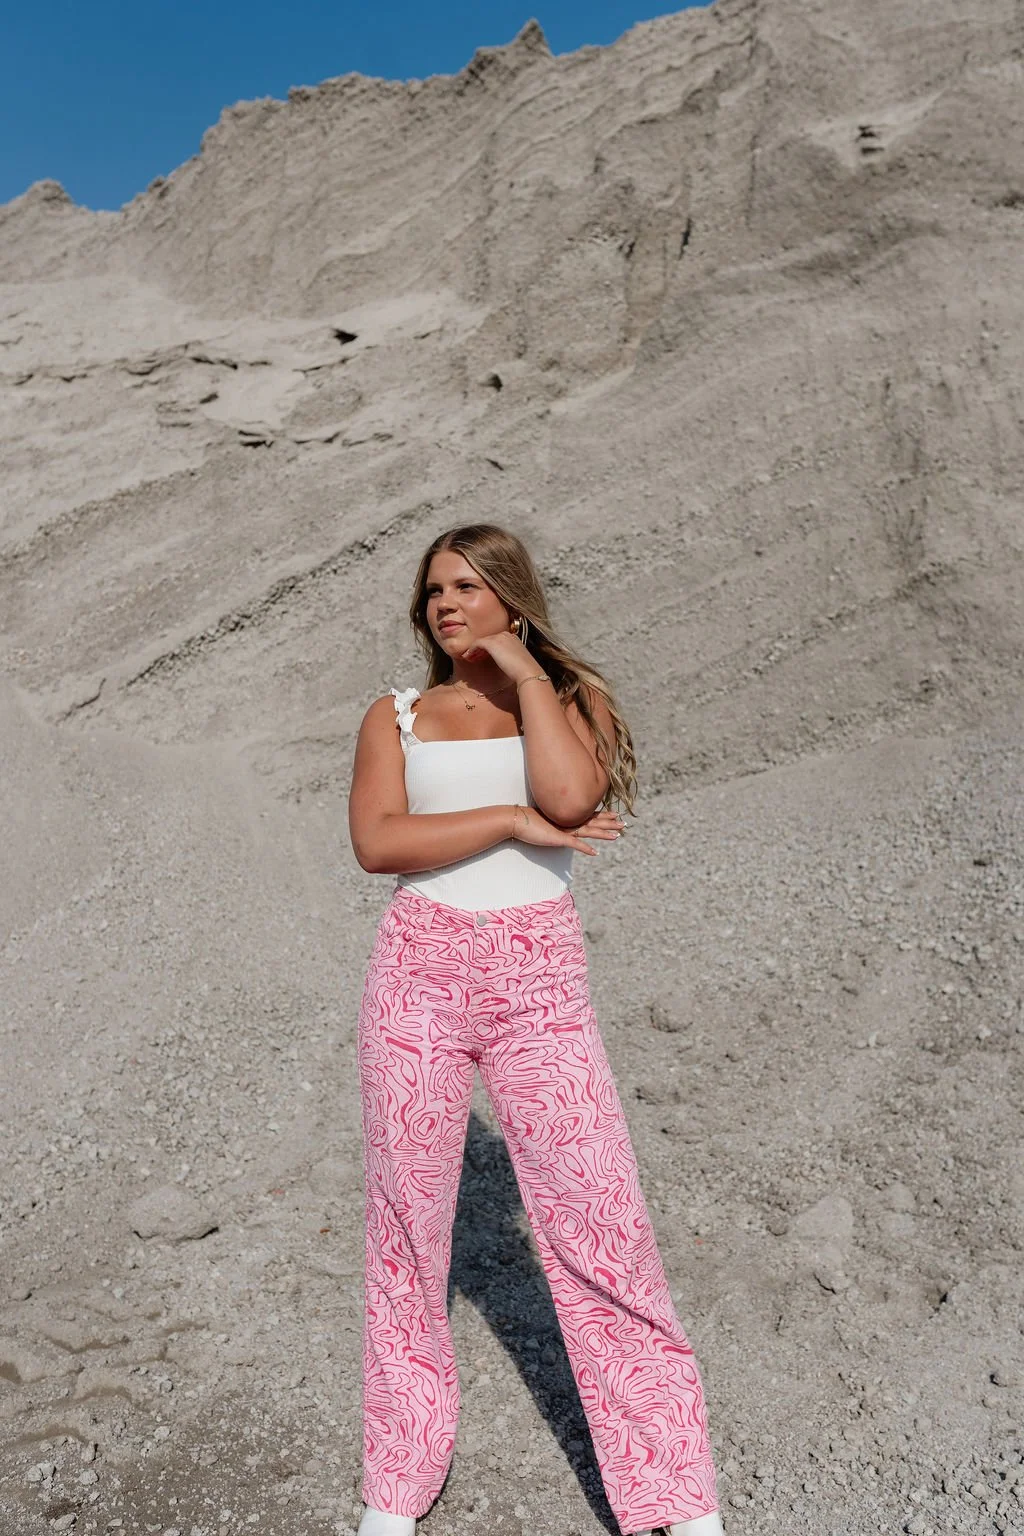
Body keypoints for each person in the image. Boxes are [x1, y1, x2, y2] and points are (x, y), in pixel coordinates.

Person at [347, 523, 724, 1536]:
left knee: (604, 1228)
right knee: (406, 1239)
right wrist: (507, 824)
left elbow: (570, 794)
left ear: (510, 594)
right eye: (434, 589)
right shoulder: (398, 715)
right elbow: (378, 842)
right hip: (417, 973)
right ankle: (397, 1483)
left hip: (537, 981)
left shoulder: (568, 703)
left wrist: (519, 662)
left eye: (468, 585)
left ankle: (674, 1499)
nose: (445, 603)